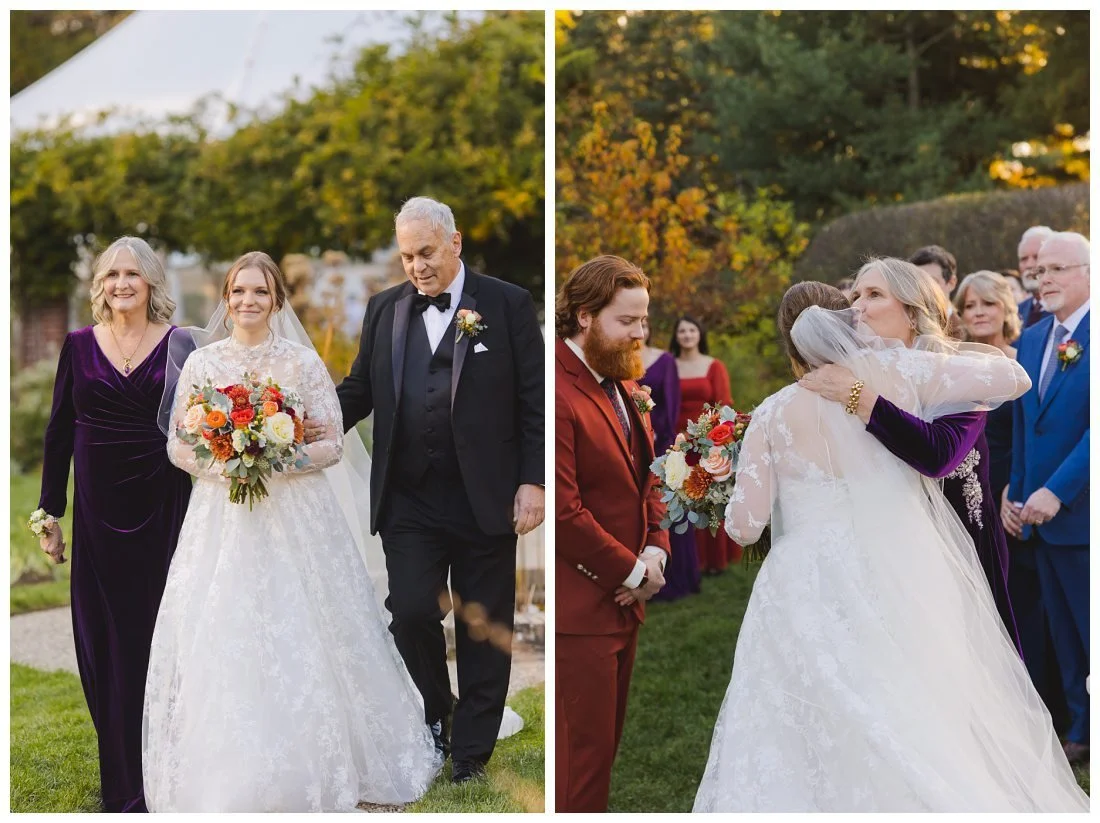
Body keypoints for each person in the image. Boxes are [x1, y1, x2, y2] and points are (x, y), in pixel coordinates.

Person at [693, 281, 1087, 812]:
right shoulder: (899, 377)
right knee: (908, 698)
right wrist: (918, 355)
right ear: (849, 324)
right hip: (898, 565)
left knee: (805, 707)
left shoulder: (769, 415)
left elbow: (743, 528)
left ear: (787, 340)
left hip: (804, 579)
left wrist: (723, 485)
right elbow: (1012, 376)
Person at [142, 252, 441, 811]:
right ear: (225, 301)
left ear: (277, 300)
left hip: (297, 517)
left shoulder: (301, 364)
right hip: (224, 517)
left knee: (306, 625)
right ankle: (229, 768)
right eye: (238, 292)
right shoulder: (204, 366)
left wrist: (276, 456)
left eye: (260, 291)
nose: (248, 301)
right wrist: (227, 460)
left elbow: (329, 444)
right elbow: (177, 445)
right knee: (226, 628)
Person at [318, 197, 545, 783]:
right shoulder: (384, 309)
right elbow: (360, 388)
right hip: (408, 498)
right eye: (407, 256)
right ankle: (438, 711)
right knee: (412, 612)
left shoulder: (508, 304)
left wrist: (532, 481)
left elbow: (532, 403)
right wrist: (303, 422)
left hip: (486, 495)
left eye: (427, 252)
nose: (417, 266)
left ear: (456, 243)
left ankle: (471, 752)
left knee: (483, 625)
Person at [33, 236, 192, 813]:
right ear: (98, 285)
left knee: (160, 637)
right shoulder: (77, 347)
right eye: (111, 275)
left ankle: (168, 767)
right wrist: (48, 512)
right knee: (104, 641)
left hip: (165, 508)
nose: (121, 283)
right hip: (99, 516)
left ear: (151, 282)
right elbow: (57, 433)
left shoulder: (181, 345)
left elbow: (201, 424)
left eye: (132, 273)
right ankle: (122, 776)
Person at [801, 259, 1019, 645]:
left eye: (874, 295)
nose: (858, 307)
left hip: (962, 548)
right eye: (855, 296)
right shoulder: (845, 372)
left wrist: (859, 397)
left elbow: (938, 454)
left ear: (913, 312)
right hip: (882, 548)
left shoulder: (953, 373)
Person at [555, 255, 670, 812]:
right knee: (578, 765)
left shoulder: (622, 383)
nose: (639, 334)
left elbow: (649, 474)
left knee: (602, 756)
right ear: (585, 316)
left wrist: (654, 551)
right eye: (627, 321)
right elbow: (563, 511)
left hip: (625, 602)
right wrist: (630, 572)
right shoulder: (556, 390)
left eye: (643, 320)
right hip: (579, 611)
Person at [954, 270, 1068, 731]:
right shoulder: (954, 366)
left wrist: (1011, 492)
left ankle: (1038, 707)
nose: (978, 313)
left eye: (988, 304)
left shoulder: (1026, 365)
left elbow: (1033, 439)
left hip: (1011, 493)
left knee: (1021, 601)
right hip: (964, 493)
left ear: (1007, 310)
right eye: (969, 306)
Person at [1003, 231, 1091, 765]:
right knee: (1060, 630)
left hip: (1081, 512)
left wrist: (1056, 491)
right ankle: (1080, 728)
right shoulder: (1034, 338)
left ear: (1089, 271)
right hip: (1033, 516)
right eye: (1040, 272)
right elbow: (1022, 424)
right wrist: (1015, 491)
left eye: (1059, 268)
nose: (1046, 279)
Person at [670, 316, 741, 573]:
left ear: (699, 334)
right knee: (683, 497)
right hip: (676, 440)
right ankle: (689, 561)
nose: (687, 335)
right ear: (676, 336)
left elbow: (723, 405)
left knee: (709, 498)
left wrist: (713, 439)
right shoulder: (670, 365)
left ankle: (714, 560)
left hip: (707, 438)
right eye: (682, 331)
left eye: (691, 330)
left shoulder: (713, 366)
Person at [640, 320, 697, 602]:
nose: (640, 329)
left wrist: (668, 447)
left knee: (669, 510)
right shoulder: (617, 360)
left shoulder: (664, 361)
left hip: (661, 444)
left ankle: (674, 577)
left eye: (643, 323)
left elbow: (672, 406)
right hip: (630, 446)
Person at [908, 244, 964, 339]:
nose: (924, 289)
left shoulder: (966, 333)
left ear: (951, 283)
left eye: (932, 282)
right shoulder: (905, 328)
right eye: (917, 282)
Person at [1017, 226, 1054, 330]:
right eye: (1024, 259)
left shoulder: (1069, 308)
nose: (1029, 265)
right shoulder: (1017, 311)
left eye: (1037, 257)